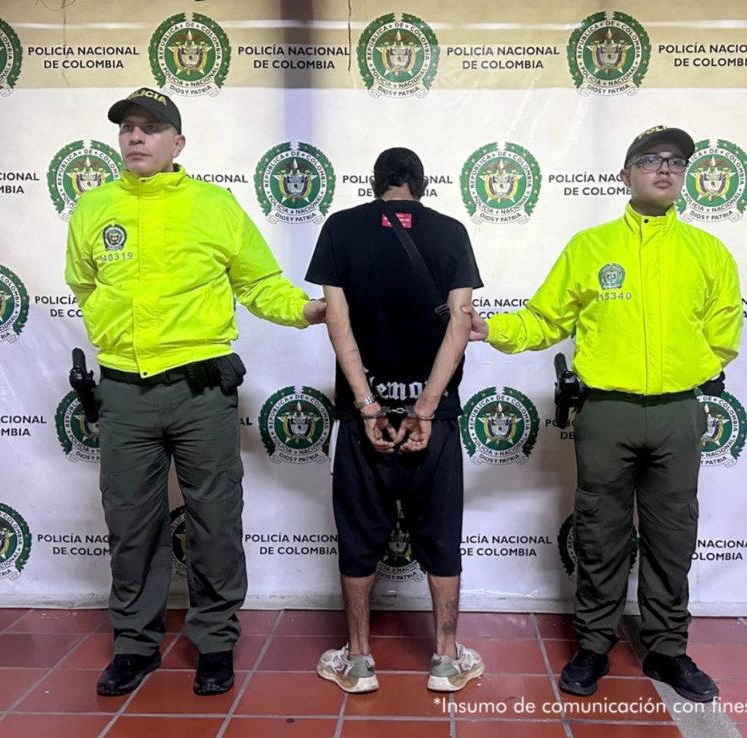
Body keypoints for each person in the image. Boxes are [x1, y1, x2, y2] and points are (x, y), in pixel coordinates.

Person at [64, 87, 326, 697]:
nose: (136, 137)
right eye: (127, 127)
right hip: (123, 391)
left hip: (201, 390)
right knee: (131, 524)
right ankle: (135, 644)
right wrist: (115, 333)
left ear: (177, 143)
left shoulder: (214, 206)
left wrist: (305, 309)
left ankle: (214, 641)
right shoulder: (93, 207)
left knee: (214, 520)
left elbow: (259, 283)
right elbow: (83, 285)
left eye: (151, 128)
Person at [466, 126, 742, 702]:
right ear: (625, 175)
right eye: (650, 160)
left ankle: (667, 649)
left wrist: (684, 370)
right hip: (606, 413)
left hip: (677, 412)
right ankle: (593, 645)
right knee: (599, 535)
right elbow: (544, 318)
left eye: (676, 162)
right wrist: (494, 329)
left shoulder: (709, 251)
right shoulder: (590, 247)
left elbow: (723, 332)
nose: (665, 169)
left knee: (673, 536)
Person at [305, 147, 485, 694]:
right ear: (421, 185)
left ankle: (359, 661)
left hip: (366, 419)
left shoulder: (340, 228)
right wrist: (425, 407)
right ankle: (446, 660)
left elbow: (337, 322)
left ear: (375, 182)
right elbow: (460, 325)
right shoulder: (451, 231)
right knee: (442, 537)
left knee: (359, 537)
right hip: (436, 420)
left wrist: (368, 406)